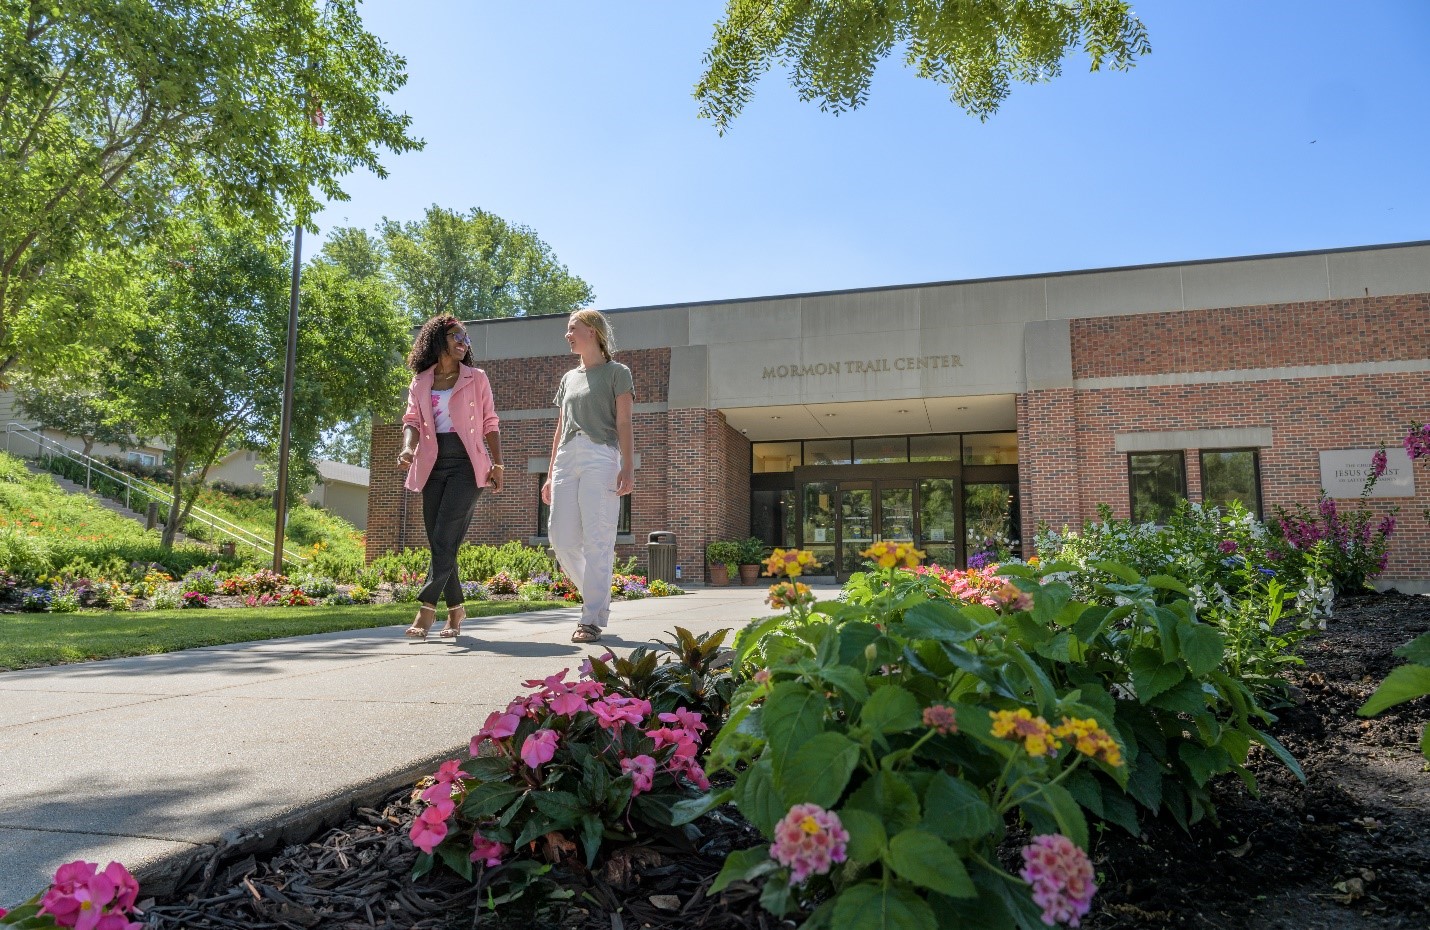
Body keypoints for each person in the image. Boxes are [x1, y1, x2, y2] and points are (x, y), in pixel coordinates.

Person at [398, 315, 503, 639]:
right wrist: (407, 448)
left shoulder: (476, 378)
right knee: (441, 542)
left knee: (444, 536)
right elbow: (412, 419)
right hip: (431, 462)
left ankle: (427, 608)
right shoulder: (421, 381)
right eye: (457, 337)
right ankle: (456, 611)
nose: (463, 343)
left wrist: (497, 465)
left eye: (466, 339)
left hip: (467, 464)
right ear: (438, 340)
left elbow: (489, 422)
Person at [542, 309, 634, 643]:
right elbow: (559, 427)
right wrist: (551, 473)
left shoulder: (617, 373)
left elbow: (624, 422)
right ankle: (598, 598)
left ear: (592, 331)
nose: (567, 335)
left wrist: (627, 466)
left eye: (572, 329)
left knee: (598, 539)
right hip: (568, 456)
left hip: (601, 456)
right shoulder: (569, 377)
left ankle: (591, 617)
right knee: (561, 539)